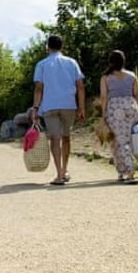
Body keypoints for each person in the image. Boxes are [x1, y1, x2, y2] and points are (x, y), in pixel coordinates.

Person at [30, 35, 85, 185]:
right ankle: (65, 169)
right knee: (66, 137)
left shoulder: (41, 65)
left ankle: (59, 174)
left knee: (55, 138)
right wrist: (81, 107)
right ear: (62, 46)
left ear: (47, 47)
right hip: (69, 105)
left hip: (50, 105)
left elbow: (39, 89)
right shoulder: (72, 63)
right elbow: (80, 86)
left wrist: (35, 108)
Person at [99, 49, 138, 182]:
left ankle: (128, 169)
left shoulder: (106, 77)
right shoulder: (132, 76)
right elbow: (137, 95)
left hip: (116, 110)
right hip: (131, 107)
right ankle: (121, 171)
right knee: (124, 139)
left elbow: (104, 97)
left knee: (120, 140)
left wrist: (103, 114)